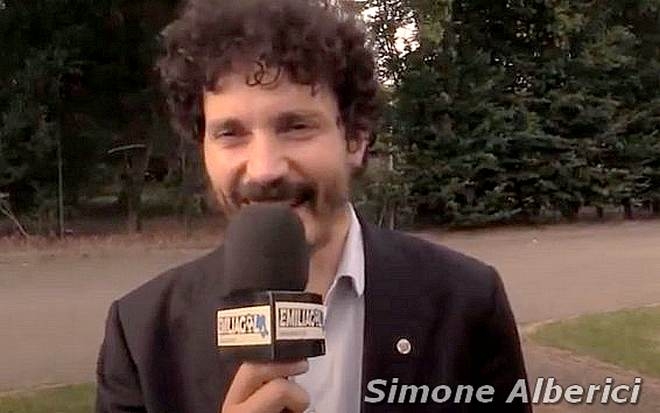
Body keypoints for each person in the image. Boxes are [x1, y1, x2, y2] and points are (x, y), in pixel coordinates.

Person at [95, 0, 532, 412]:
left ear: (355, 138)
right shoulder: (141, 334)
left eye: (296, 126)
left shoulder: (466, 302)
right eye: (230, 133)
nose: (264, 170)